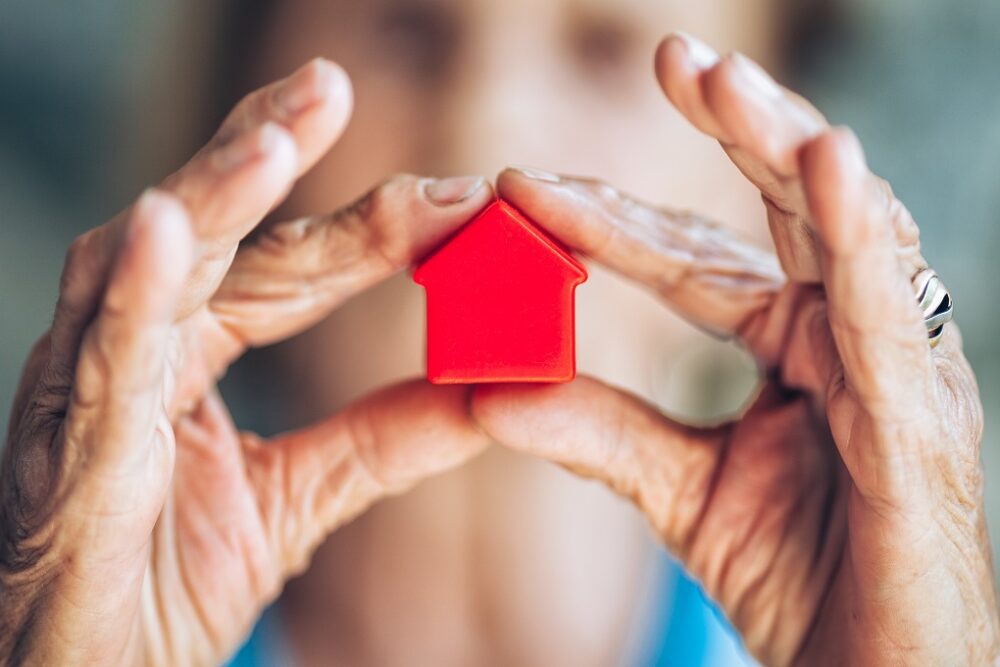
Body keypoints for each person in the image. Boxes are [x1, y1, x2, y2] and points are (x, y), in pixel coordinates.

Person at [1, 7, 997, 667]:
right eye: (407, 26)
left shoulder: (863, 621)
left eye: (603, 45)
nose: (485, 123)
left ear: (764, 188)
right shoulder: (64, 619)